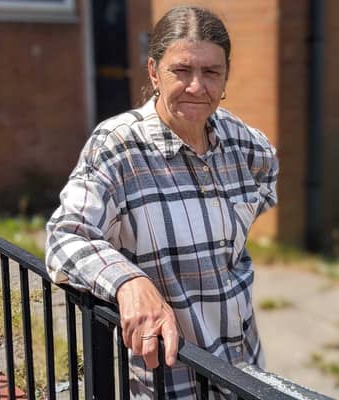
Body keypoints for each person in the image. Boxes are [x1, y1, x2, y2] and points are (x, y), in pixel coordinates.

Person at [45, 5, 278, 399]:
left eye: (210, 73)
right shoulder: (118, 147)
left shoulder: (244, 143)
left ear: (225, 77)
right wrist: (128, 281)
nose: (196, 86)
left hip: (243, 370)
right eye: (181, 71)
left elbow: (265, 182)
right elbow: (65, 236)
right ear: (154, 72)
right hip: (171, 380)